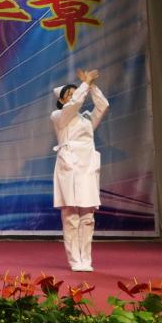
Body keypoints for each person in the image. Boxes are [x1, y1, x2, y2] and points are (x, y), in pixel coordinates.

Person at [50, 69, 108, 272]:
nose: (75, 96)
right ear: (62, 100)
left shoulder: (86, 120)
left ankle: (86, 258)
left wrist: (91, 86)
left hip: (87, 167)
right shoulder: (58, 116)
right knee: (71, 215)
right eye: (70, 94)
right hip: (69, 167)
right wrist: (84, 85)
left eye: (77, 92)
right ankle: (75, 259)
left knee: (88, 216)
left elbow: (103, 105)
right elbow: (74, 104)